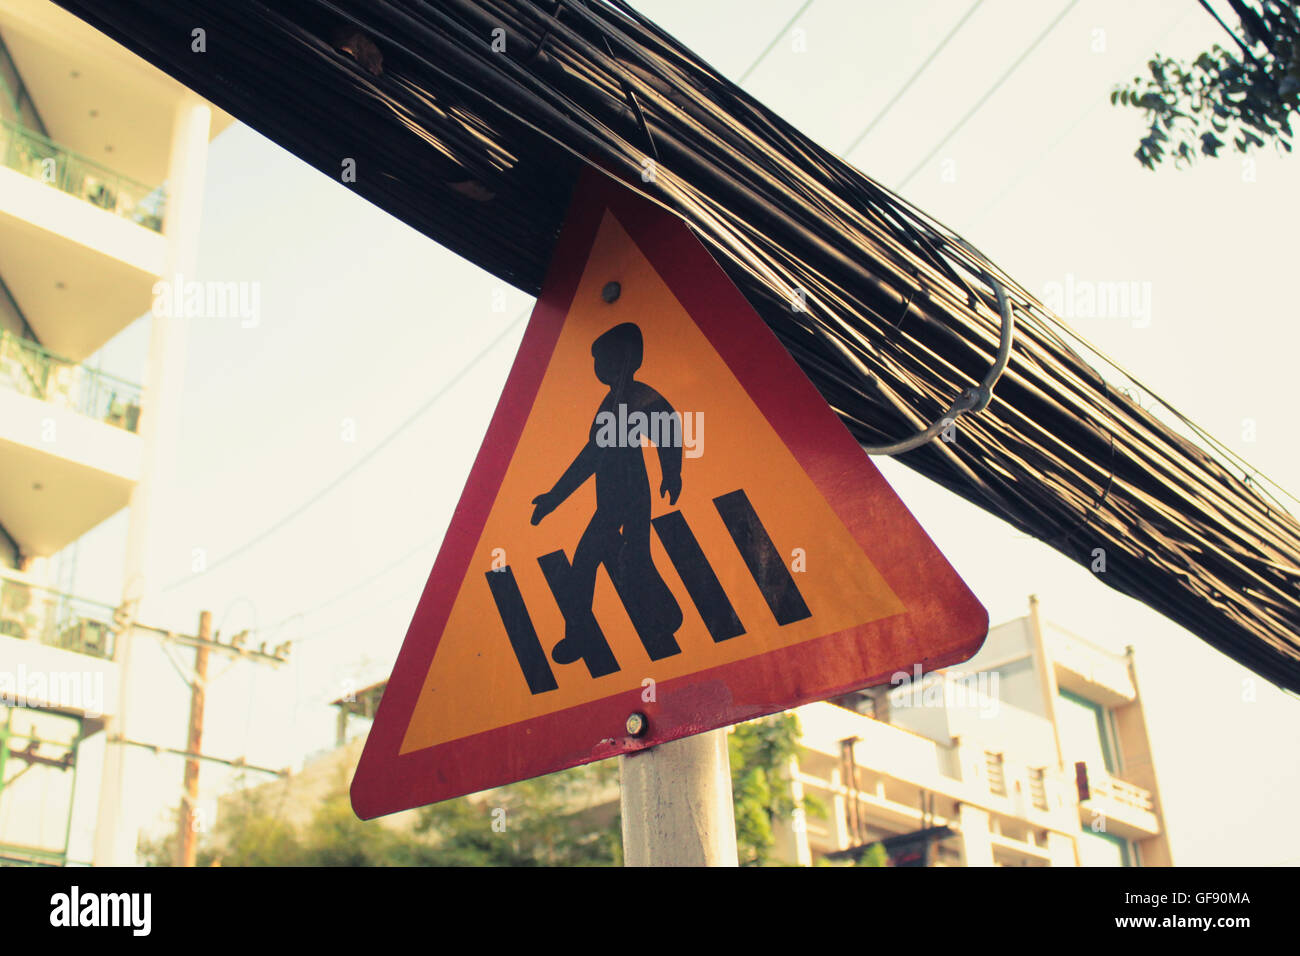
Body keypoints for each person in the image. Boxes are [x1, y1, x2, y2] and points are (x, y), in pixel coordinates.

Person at [531, 322, 684, 663]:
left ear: (623, 358)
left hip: (632, 500)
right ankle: (582, 635)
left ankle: (661, 620)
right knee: (595, 564)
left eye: (601, 359)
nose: (596, 367)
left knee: (629, 562)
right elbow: (590, 457)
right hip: (609, 504)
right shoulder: (610, 404)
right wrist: (553, 498)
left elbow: (669, 431)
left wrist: (672, 474)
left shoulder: (640, 396)